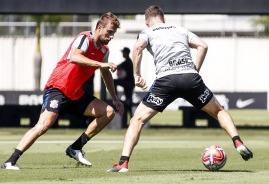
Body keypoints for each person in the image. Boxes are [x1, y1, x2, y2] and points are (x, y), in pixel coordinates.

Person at [108, 5, 253, 172]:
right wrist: (195, 69)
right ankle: (237, 141)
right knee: (219, 111)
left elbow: (137, 48)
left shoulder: (147, 32)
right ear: (164, 18)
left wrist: (137, 74)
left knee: (137, 120)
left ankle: (123, 163)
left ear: (147, 22)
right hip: (190, 78)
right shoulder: (181, 29)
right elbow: (203, 46)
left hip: (166, 82)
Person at [1, 12, 124, 170]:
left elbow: (106, 74)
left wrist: (115, 99)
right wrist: (100, 65)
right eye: (109, 32)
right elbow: (75, 57)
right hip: (58, 87)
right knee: (43, 125)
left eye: (113, 33)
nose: (111, 36)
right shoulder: (84, 38)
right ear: (99, 28)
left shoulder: (104, 51)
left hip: (75, 94)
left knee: (108, 112)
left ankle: (76, 147)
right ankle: (10, 161)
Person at [114, 47, 135, 128]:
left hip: (129, 84)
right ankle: (130, 122)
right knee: (128, 103)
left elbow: (118, 66)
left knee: (128, 103)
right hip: (128, 84)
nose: (122, 54)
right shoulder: (127, 62)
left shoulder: (128, 62)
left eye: (123, 52)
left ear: (126, 53)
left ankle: (114, 96)